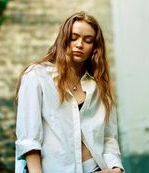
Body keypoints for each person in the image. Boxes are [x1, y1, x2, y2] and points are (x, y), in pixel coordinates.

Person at [15, 11, 125, 173]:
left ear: (95, 47)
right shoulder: (37, 76)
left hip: (96, 168)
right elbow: (29, 139)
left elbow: (108, 137)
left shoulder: (99, 85)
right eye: (74, 38)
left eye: (88, 41)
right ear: (63, 39)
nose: (79, 44)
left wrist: (116, 168)